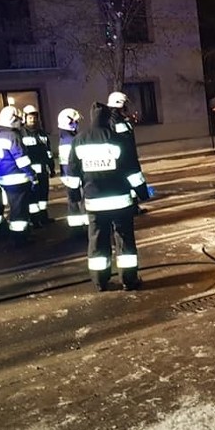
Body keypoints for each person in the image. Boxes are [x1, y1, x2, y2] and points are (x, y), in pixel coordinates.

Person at [69, 102, 150, 292]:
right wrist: (142, 193)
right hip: (120, 200)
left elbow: (72, 172)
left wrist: (73, 196)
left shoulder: (79, 140)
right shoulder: (118, 139)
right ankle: (129, 280)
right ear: (107, 118)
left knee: (97, 241)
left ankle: (100, 281)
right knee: (124, 241)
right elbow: (132, 170)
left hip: (94, 202)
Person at [0, 106, 36, 245]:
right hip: (18, 178)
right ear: (13, 120)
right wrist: (32, 174)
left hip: (4, 178)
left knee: (14, 207)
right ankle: (19, 238)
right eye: (19, 120)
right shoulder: (13, 136)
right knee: (19, 210)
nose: (20, 123)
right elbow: (21, 159)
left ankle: (18, 235)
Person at [106, 91, 148, 214]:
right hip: (125, 159)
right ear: (120, 104)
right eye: (125, 104)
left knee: (133, 183)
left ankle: (134, 207)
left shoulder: (119, 119)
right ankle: (131, 208)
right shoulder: (114, 121)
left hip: (128, 158)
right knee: (130, 182)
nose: (126, 107)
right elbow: (122, 140)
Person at [21, 104, 56, 226]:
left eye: (35, 117)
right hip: (30, 172)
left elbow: (48, 152)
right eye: (30, 117)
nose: (33, 120)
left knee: (43, 195)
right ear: (25, 118)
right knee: (32, 197)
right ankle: (34, 220)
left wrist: (51, 167)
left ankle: (43, 217)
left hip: (43, 170)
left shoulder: (42, 134)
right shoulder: (21, 134)